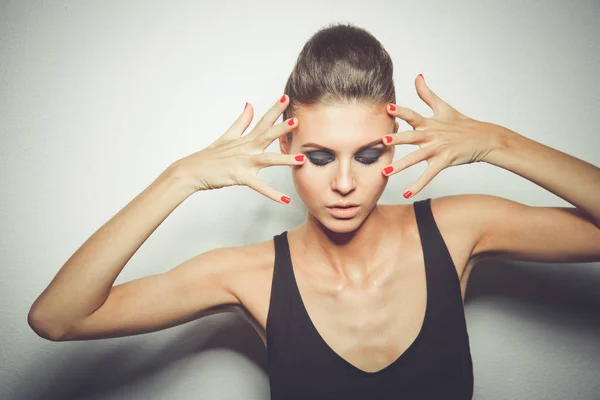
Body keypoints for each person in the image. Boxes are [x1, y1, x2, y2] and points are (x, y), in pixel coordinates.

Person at [27, 23, 600, 400]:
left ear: (395, 143)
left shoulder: (456, 230)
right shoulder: (248, 275)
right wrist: (180, 177)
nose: (345, 183)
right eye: (320, 156)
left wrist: (499, 144)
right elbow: (58, 319)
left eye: (369, 154)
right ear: (285, 149)